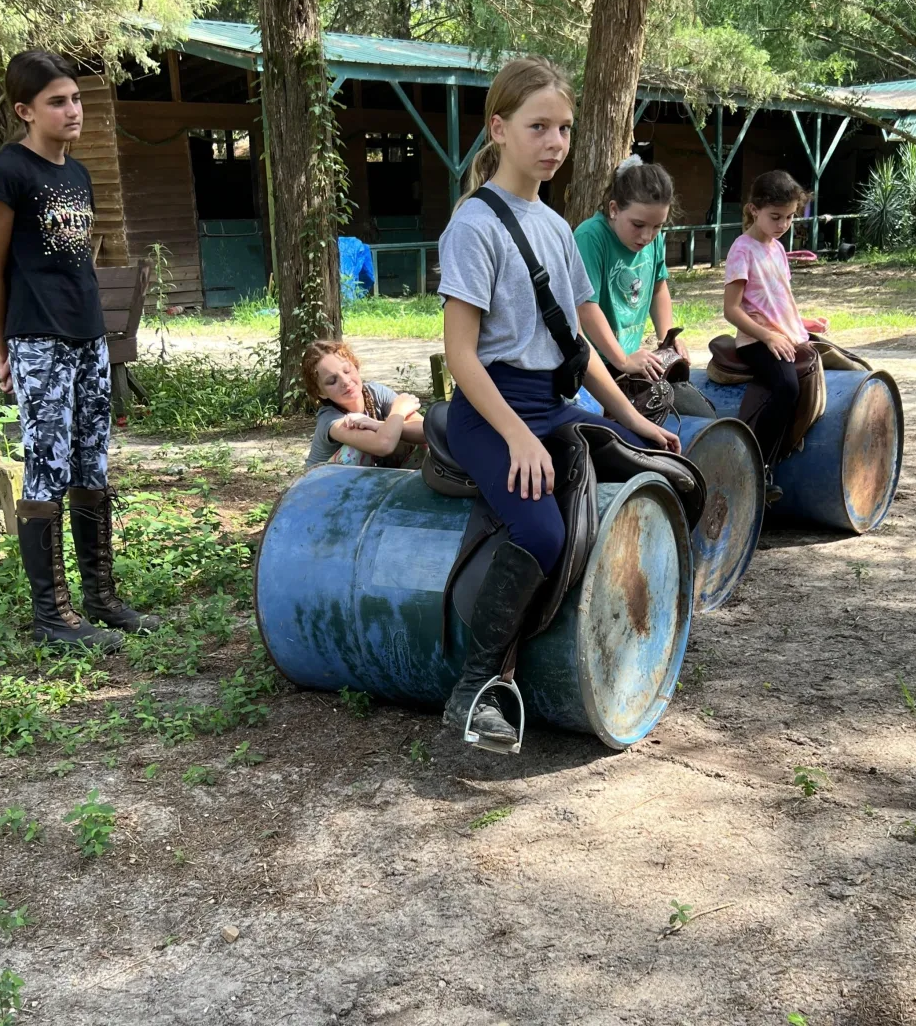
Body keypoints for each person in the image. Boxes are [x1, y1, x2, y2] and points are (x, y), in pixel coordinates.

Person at [438, 56, 680, 748]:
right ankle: (474, 686)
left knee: (653, 471)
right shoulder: (475, 226)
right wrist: (515, 435)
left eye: (564, 129)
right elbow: (461, 355)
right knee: (542, 531)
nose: (554, 142)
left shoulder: (554, 226)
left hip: (556, 399)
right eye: (538, 126)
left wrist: (631, 419)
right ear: (499, 128)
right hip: (492, 407)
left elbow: (579, 346)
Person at [0, 50, 159, 653]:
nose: (73, 110)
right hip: (36, 340)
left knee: (91, 463)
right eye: (58, 102)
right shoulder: (6, 173)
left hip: (87, 339)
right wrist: (2, 347)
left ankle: (101, 599)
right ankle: (51, 614)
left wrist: (97, 338)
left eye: (76, 98)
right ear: (26, 111)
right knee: (48, 464)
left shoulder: (76, 174)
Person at [574, 156, 710, 418]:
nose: (647, 236)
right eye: (638, 225)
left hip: (631, 360)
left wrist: (667, 339)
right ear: (614, 209)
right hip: (594, 364)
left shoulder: (652, 240)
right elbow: (585, 307)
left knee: (699, 413)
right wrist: (622, 360)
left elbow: (659, 287)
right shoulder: (590, 237)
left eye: (657, 227)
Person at [722, 170, 813, 485]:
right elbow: (731, 310)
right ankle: (757, 465)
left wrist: (801, 324)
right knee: (787, 386)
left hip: (783, 334)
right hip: (755, 340)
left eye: (789, 217)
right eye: (776, 217)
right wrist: (767, 335)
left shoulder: (777, 248)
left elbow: (779, 298)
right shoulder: (742, 249)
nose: (783, 225)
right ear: (753, 209)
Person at [303, 340, 425, 468]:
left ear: (355, 366)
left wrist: (378, 425)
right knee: (357, 450)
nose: (345, 381)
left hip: (367, 481)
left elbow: (426, 432)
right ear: (320, 393)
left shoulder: (376, 392)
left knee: (419, 442)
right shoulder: (331, 419)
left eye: (347, 371)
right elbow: (384, 445)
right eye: (332, 381)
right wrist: (399, 411)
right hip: (322, 485)